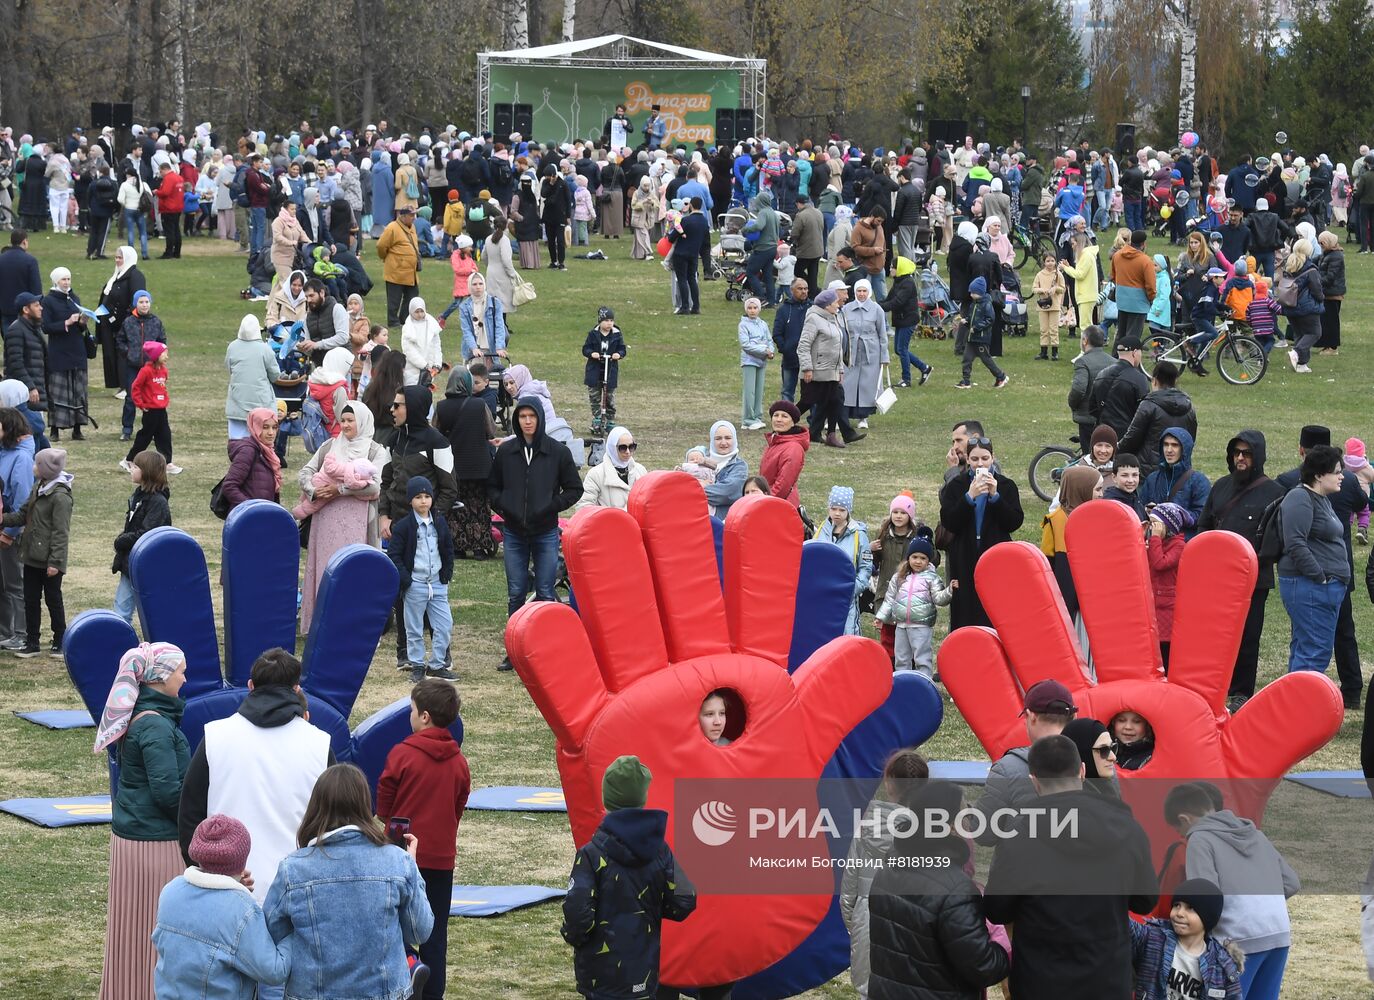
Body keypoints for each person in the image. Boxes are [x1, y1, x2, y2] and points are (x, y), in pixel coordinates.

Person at [983, 734, 1158, 1000]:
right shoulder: (1127, 827)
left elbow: (997, 909)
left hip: (1040, 983)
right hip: (1107, 981)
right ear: (1082, 771)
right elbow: (1145, 901)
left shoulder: (1018, 834)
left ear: (1034, 781)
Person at [177, 648, 335, 904]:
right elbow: (334, 825)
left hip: (225, 891)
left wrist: (206, 874)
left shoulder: (216, 737)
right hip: (299, 892)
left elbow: (189, 816)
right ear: (296, 689)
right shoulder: (320, 744)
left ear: (250, 686)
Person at [264, 764, 434, 1000]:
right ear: (365, 805)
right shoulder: (398, 862)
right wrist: (412, 869)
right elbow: (420, 931)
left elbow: (271, 931)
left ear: (317, 806)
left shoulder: (293, 869)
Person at [93, 641, 190, 1000]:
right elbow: (168, 792)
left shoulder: (145, 718)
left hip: (135, 840)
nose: (184, 677)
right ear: (160, 677)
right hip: (156, 845)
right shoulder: (156, 727)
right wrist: (198, 821)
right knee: (156, 928)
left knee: (132, 929)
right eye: (180, 670)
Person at [562, 755, 696, 1000]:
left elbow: (578, 914)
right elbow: (685, 900)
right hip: (644, 972)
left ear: (607, 800)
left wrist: (576, 939)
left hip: (600, 977)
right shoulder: (661, 851)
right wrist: (652, 907)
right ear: (642, 798)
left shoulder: (591, 855)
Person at [866, 779, 1010, 1000]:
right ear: (951, 827)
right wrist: (1004, 942)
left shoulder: (887, 870)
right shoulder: (955, 889)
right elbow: (983, 967)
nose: (971, 824)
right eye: (966, 816)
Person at [376, 678, 470, 999]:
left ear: (425, 716)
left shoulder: (401, 754)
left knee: (393, 924)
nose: (410, 715)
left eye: (413, 710)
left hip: (400, 856)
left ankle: (408, 971)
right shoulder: (459, 762)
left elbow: (384, 805)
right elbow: (458, 806)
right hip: (441, 860)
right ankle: (433, 992)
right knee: (435, 931)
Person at [1165, 782, 1300, 1000]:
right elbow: (1292, 882)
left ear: (1184, 819)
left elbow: (1204, 899)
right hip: (1278, 932)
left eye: (1178, 830)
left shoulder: (1199, 839)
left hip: (1237, 939)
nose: (1181, 835)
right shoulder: (1255, 834)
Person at [152, 814, 291, 998]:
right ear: (242, 859)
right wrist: (295, 931)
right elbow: (274, 971)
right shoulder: (242, 910)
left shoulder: (171, 891)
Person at [488, 395, 580, 671]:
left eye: (532, 416)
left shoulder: (557, 452)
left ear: (540, 419)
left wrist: (550, 507)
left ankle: (544, 650)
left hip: (545, 532)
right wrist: (506, 508)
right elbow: (492, 488)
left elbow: (575, 489)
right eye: (522, 417)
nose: (527, 421)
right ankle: (515, 652)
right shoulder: (507, 451)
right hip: (514, 532)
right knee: (516, 592)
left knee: (545, 592)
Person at [1196, 431, 1285, 710]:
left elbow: (1274, 542)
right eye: (1236, 452)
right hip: (1218, 577)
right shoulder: (1221, 486)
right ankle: (1211, 687)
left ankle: (1240, 692)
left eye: (1246, 453)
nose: (1240, 458)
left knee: (1247, 637)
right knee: (1213, 636)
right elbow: (1204, 525)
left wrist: (1247, 565)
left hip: (1253, 580)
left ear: (1257, 456)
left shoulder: (1275, 493)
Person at [840, 749, 931, 998]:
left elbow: (848, 891)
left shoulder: (865, 826)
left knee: (869, 990)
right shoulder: (934, 831)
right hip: (915, 922)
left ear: (889, 782)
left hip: (868, 919)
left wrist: (859, 918)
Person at [296, 400, 384, 630]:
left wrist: (341, 489)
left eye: (350, 421)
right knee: (326, 568)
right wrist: (315, 491)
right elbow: (305, 472)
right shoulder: (329, 446)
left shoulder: (375, 450)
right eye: (342, 420)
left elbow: (375, 488)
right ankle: (322, 622)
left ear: (362, 421)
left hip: (359, 524)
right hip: (325, 522)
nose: (345, 425)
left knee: (354, 570)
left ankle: (352, 622)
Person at [971, 678, 1076, 839]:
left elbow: (984, 834)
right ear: (1073, 717)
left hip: (1020, 863)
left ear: (1030, 716)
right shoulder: (1098, 759)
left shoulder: (1007, 769)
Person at [1277, 444, 1350, 675]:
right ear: (1319, 474)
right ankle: (1301, 707)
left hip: (1320, 589)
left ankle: (1295, 706)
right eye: (1337, 471)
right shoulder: (1299, 497)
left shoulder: (1322, 498)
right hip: (1310, 587)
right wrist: (1320, 578)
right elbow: (1295, 543)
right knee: (1314, 651)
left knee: (1308, 648)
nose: (1342, 476)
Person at [938, 435, 1023, 629]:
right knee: (965, 611)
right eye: (975, 459)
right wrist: (969, 497)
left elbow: (1014, 522)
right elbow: (949, 521)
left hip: (995, 557)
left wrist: (996, 497)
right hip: (964, 557)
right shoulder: (956, 486)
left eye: (985, 458)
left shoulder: (1006, 485)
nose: (980, 464)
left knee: (993, 610)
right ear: (967, 460)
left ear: (993, 457)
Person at [3, 446, 71, 657]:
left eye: (37, 464)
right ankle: (32, 641)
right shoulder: (38, 487)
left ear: (46, 469)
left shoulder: (60, 497)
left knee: (53, 600)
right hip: (32, 556)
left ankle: (60, 639)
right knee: (30, 600)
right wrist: (3, 520)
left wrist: (55, 562)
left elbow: (61, 532)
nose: (33, 467)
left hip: (49, 560)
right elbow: (23, 514)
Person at [1128, 877, 1243, 1000]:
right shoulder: (1152, 938)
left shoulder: (1221, 964)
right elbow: (1122, 925)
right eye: (1177, 905)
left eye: (1190, 908)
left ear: (1208, 917)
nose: (1179, 913)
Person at [388, 476, 456, 682]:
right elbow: (394, 555)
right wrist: (406, 580)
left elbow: (448, 549)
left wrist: (446, 574)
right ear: (410, 500)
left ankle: (437, 664)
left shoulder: (440, 523)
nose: (423, 501)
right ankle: (417, 664)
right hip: (415, 583)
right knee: (414, 627)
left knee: (444, 625)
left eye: (427, 496)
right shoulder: (402, 527)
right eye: (418, 497)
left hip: (437, 582)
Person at [874, 534, 956, 677]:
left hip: (921, 626)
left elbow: (939, 599)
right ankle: (903, 684)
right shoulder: (899, 577)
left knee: (922, 658)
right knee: (901, 658)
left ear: (928, 560)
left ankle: (925, 684)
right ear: (909, 558)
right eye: (915, 557)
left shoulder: (932, 578)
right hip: (900, 625)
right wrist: (881, 617)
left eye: (923, 558)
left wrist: (949, 591)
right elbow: (889, 599)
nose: (918, 561)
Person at [797, 289, 863, 448]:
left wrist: (840, 370)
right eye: (835, 302)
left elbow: (838, 348)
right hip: (815, 371)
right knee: (807, 402)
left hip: (831, 371)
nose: (838, 304)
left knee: (834, 401)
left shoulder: (833, 317)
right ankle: (782, 421)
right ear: (827, 305)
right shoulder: (813, 319)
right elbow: (803, 345)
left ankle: (831, 435)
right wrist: (807, 368)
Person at [111, 451, 170, 623]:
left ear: (148, 471)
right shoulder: (139, 496)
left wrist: (122, 540)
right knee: (121, 609)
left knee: (150, 611)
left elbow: (148, 534)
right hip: (130, 563)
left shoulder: (158, 502)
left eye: (136, 467)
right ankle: (120, 644)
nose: (131, 469)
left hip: (146, 564)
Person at [813, 486, 872, 635]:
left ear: (848, 511)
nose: (837, 513)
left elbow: (865, 568)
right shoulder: (821, 531)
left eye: (842, 510)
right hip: (823, 597)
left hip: (846, 598)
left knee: (847, 638)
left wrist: (853, 589)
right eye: (833, 509)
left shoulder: (859, 535)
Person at [40, 266, 90, 440]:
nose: (67, 282)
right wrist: (66, 322)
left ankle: (77, 428)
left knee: (78, 390)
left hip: (77, 350)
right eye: (63, 279)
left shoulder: (74, 298)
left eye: (68, 279)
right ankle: (55, 428)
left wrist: (83, 322)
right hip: (59, 351)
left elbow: (81, 328)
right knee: (58, 390)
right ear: (56, 281)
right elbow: (46, 327)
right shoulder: (48, 301)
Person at [1118, 362, 1196, 472]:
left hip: (1149, 470)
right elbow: (1190, 440)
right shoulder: (1189, 407)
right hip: (1179, 469)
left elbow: (1132, 438)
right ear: (1175, 381)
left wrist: (1116, 451)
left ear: (1154, 380)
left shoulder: (1148, 405)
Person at [115, 290, 164, 442]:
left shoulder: (156, 321)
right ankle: (127, 429)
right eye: (141, 302)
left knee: (152, 398)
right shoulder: (128, 322)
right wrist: (128, 353)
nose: (144, 305)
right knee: (131, 398)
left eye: (147, 302)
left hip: (151, 367)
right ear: (136, 304)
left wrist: (157, 358)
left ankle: (152, 430)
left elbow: (162, 341)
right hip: (133, 366)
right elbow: (120, 341)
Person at [122, 341, 178, 472]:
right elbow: (135, 387)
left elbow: (162, 387)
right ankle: (129, 459)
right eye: (164, 354)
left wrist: (165, 399)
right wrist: (140, 404)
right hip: (150, 410)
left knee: (165, 435)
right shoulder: (145, 371)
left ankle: (167, 462)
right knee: (145, 437)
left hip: (161, 410)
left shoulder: (164, 370)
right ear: (156, 356)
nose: (167, 357)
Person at [1139, 428, 1210, 529]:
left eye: (1175, 445)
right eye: (1166, 444)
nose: (1169, 450)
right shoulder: (1152, 479)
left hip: (1184, 540)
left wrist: (1178, 515)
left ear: (1184, 449)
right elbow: (1140, 510)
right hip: (1156, 539)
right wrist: (1148, 511)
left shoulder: (1199, 481)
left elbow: (1203, 517)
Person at [98, 245, 147, 391]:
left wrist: (127, 320)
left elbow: (137, 300)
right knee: (113, 354)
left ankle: (127, 386)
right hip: (111, 324)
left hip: (124, 324)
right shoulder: (115, 277)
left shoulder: (135, 276)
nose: (117, 261)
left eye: (120, 258)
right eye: (116, 257)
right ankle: (120, 384)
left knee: (124, 355)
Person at [225, 314, 282, 440]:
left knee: (238, 442)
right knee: (260, 443)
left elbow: (229, 369)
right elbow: (275, 375)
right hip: (261, 404)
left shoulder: (232, 347)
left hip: (236, 404)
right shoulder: (265, 349)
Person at [841, 279, 889, 426]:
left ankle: (864, 417)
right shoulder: (846, 309)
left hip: (871, 353)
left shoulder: (877, 309)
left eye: (864, 291)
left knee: (868, 384)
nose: (861, 294)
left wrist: (884, 356)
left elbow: (882, 334)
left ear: (869, 292)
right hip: (851, 352)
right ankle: (844, 415)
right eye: (859, 291)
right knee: (848, 383)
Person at [221, 406, 282, 512]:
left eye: (274, 427)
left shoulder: (268, 452)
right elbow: (229, 486)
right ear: (255, 427)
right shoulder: (248, 451)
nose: (271, 433)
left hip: (263, 515)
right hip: (248, 518)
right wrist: (251, 508)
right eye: (265, 427)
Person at [1280, 238, 1325, 374]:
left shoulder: (1290, 265)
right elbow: (1317, 290)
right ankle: (1296, 352)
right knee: (1314, 333)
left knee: (1299, 334)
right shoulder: (1310, 269)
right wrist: (1321, 298)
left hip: (1290, 306)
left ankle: (1301, 364)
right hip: (1307, 308)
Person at [576, 424, 646, 512]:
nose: (628, 452)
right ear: (612, 447)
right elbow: (583, 508)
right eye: (622, 448)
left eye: (632, 447)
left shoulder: (641, 471)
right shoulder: (596, 474)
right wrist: (613, 515)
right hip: (609, 525)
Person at [955, 276, 1008, 390]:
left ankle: (1001, 376)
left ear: (980, 292)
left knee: (986, 359)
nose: (971, 295)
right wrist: (966, 320)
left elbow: (990, 320)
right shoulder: (974, 303)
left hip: (981, 339)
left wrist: (977, 327)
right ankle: (966, 380)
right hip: (971, 338)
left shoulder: (986, 304)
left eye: (974, 293)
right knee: (966, 359)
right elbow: (971, 316)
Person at [582, 306, 626, 434]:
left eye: (611, 321)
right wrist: (592, 353)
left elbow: (622, 348)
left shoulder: (617, 334)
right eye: (606, 320)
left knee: (609, 396)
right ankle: (597, 418)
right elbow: (585, 349)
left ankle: (610, 420)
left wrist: (619, 354)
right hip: (595, 370)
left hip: (610, 369)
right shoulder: (593, 334)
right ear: (600, 321)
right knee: (595, 395)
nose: (609, 323)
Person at [1067, 326, 1113, 446]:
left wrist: (1072, 404)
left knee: (1089, 455)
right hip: (1110, 417)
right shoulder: (1114, 362)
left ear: (1085, 341)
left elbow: (1078, 389)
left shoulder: (1082, 362)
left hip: (1088, 417)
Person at [758, 400, 808, 511]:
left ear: (793, 422)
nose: (779, 419)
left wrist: (766, 503)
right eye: (776, 415)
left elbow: (783, 485)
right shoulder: (776, 442)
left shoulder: (793, 448)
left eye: (784, 416)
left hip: (780, 505)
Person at [377, 205, 421, 326]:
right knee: (394, 299)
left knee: (412, 296)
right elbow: (381, 246)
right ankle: (392, 321)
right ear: (403, 216)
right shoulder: (392, 227)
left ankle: (404, 318)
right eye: (411, 215)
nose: (414, 217)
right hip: (396, 270)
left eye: (414, 215)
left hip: (410, 272)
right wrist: (386, 258)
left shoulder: (412, 228)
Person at [1110, 229, 1155, 345]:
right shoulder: (1146, 261)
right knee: (1133, 337)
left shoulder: (1117, 256)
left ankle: (1116, 359)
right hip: (1138, 302)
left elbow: (1113, 276)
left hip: (1122, 299)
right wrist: (1151, 298)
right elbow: (1150, 285)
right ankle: (1128, 361)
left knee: (1121, 334)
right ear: (1143, 244)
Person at [5, 292, 47, 416]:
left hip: (35, 389)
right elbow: (16, 363)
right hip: (23, 394)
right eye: (36, 305)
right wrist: (30, 387)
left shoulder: (34, 329)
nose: (41, 308)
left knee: (37, 428)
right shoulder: (16, 330)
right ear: (26, 309)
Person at [738, 296, 773, 430]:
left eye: (755, 308)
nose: (752, 311)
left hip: (761, 361)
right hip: (749, 361)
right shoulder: (743, 324)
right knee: (749, 391)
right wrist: (764, 350)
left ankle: (757, 416)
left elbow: (769, 340)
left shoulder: (763, 324)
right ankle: (748, 419)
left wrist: (771, 351)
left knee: (759, 390)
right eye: (749, 308)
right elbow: (746, 345)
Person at [701, 419, 747, 519]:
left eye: (728, 438)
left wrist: (695, 491)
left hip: (723, 521)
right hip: (698, 518)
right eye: (718, 438)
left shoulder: (739, 466)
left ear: (734, 439)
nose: (723, 442)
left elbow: (727, 493)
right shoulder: (701, 460)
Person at [668, 196, 707, 313]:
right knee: (692, 279)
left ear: (691, 206)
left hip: (681, 253)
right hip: (694, 254)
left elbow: (672, 237)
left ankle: (684, 306)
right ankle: (696, 306)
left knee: (682, 279)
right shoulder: (704, 221)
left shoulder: (686, 220)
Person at [400, 297, 443, 387]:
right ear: (411, 311)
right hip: (413, 368)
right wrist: (424, 365)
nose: (419, 314)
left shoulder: (431, 324)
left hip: (429, 368)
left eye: (421, 311)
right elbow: (409, 350)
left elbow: (436, 345)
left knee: (426, 392)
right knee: (412, 392)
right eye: (416, 312)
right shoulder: (408, 328)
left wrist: (437, 364)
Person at [539, 165, 570, 270]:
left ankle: (561, 262)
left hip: (560, 216)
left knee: (560, 241)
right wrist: (551, 185)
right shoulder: (545, 183)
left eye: (549, 176)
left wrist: (568, 216)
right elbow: (543, 194)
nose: (547, 178)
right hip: (548, 215)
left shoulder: (562, 184)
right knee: (550, 240)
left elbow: (567, 199)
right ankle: (553, 261)